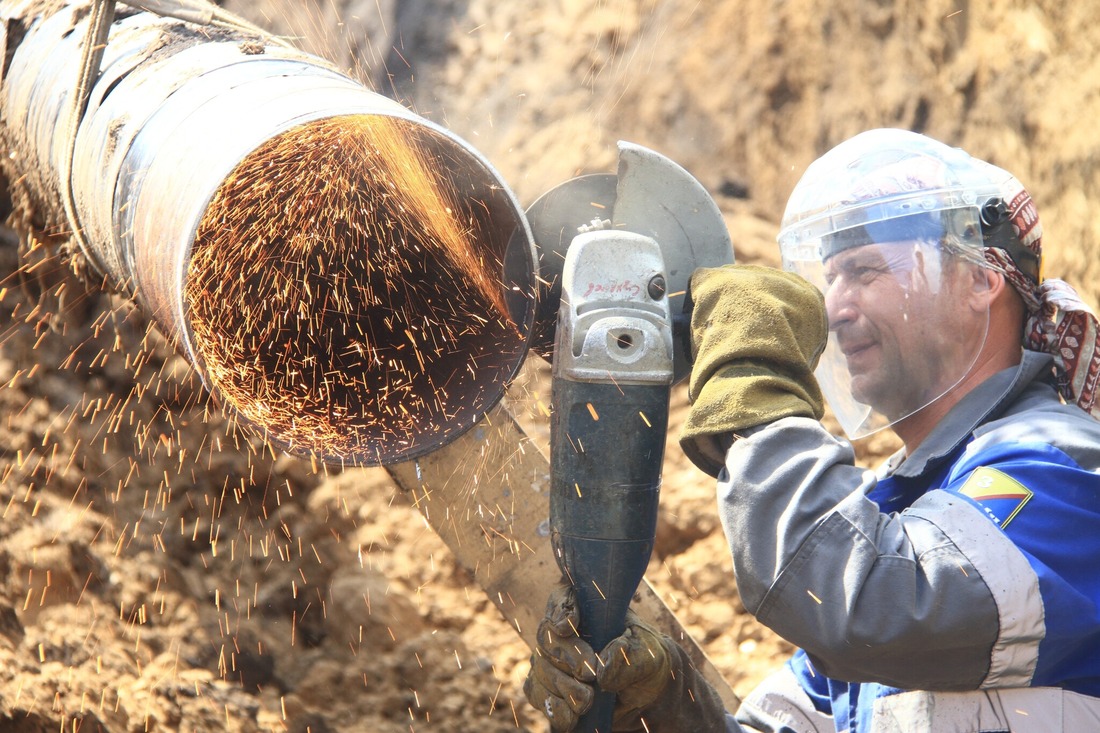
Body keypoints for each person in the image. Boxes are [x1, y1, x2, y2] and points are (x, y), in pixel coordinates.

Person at [523, 128, 1100, 732]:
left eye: (865, 270)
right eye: (832, 278)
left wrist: (758, 388)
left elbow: (871, 607)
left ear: (981, 278)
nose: (834, 307)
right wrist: (660, 704)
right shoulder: (897, 513)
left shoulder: (1064, 473)